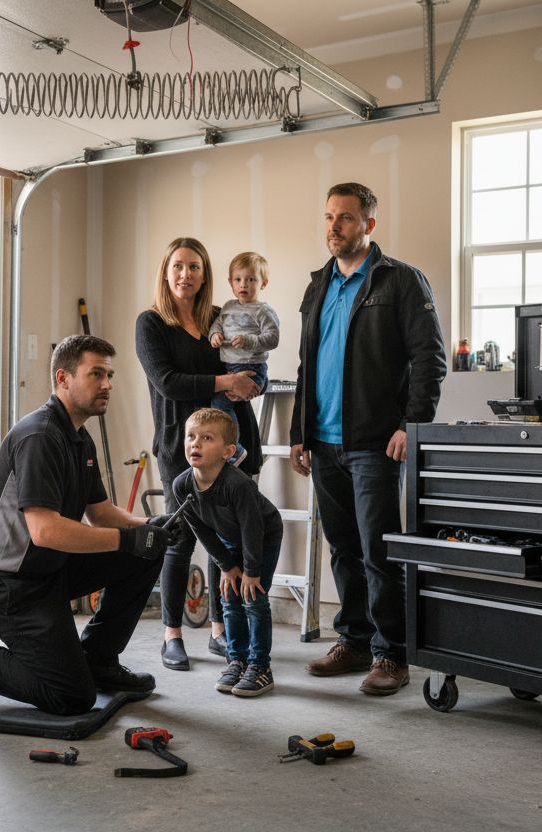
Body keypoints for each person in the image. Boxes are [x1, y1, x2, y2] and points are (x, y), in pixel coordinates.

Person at [0, 335, 180, 716]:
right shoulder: (40, 436)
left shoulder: (78, 438)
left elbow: (101, 514)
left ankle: (99, 660)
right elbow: (46, 531)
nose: (107, 384)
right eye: (96, 374)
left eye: (110, 375)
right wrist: (129, 539)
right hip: (6, 585)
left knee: (147, 551)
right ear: (63, 378)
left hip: (48, 570)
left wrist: (152, 526)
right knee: (70, 696)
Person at [289, 182, 447, 696]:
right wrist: (300, 433)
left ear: (369, 225)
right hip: (325, 442)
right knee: (343, 548)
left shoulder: (400, 281)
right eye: (329, 217)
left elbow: (430, 360)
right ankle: (354, 641)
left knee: (379, 551)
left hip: (375, 442)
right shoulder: (318, 285)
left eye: (346, 218)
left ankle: (391, 654)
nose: (334, 227)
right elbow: (306, 364)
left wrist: (410, 425)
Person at [135, 237, 263, 672]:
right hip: (181, 447)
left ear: (205, 274)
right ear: (165, 272)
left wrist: (249, 381)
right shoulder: (151, 323)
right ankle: (172, 633)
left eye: (194, 266)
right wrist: (226, 383)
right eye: (178, 266)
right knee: (181, 539)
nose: (185, 274)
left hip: (230, 441)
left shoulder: (217, 318)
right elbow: (168, 381)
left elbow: (246, 361)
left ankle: (218, 629)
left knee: (224, 540)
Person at [172, 408, 283, 697]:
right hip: (229, 539)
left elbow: (252, 529)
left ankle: (260, 667)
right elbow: (201, 530)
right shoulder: (182, 485)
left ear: (228, 451)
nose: (195, 443)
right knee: (229, 599)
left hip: (263, 537)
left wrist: (251, 571)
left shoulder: (239, 484)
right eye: (191, 437)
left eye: (207, 438)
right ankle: (237, 660)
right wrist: (226, 565)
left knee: (253, 599)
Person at [209, 252, 281, 467]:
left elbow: (273, 338)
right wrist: (215, 335)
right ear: (231, 282)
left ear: (263, 283)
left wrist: (249, 340)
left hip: (251, 368)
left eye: (251, 280)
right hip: (230, 368)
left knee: (219, 406)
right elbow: (217, 324)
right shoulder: (228, 307)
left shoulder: (263, 310)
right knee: (222, 407)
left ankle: (235, 450)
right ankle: (233, 448)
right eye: (238, 279)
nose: (244, 285)